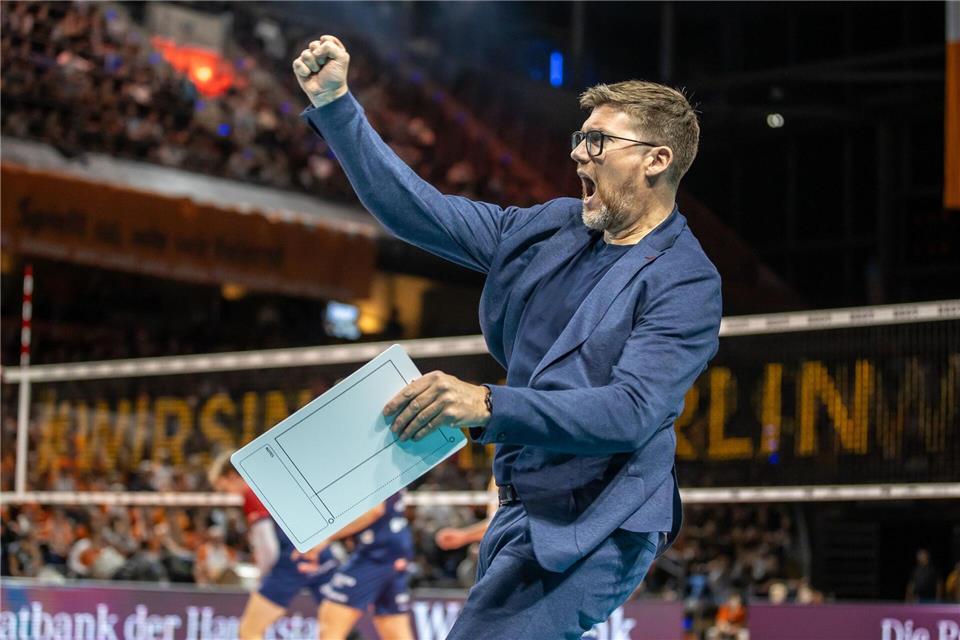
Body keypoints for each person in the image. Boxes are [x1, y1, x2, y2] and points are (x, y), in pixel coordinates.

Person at [293, 35, 722, 639]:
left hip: (600, 521)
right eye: (580, 138)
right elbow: (416, 211)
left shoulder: (686, 281)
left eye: (599, 141)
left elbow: (630, 412)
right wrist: (337, 105)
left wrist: (487, 404)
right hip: (521, 503)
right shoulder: (550, 228)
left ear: (656, 159)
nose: (579, 154)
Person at [208, 451, 340, 640]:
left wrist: (263, 579)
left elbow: (268, 547)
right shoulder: (274, 484)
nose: (228, 493)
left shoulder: (252, 494)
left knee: (249, 631)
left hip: (291, 562)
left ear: (231, 476)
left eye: (224, 487)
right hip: (320, 555)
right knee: (335, 632)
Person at [296, 493, 415, 640]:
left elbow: (375, 510)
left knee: (329, 627)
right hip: (394, 552)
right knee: (395, 630)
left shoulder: (369, 477)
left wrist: (325, 536)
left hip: (377, 553)